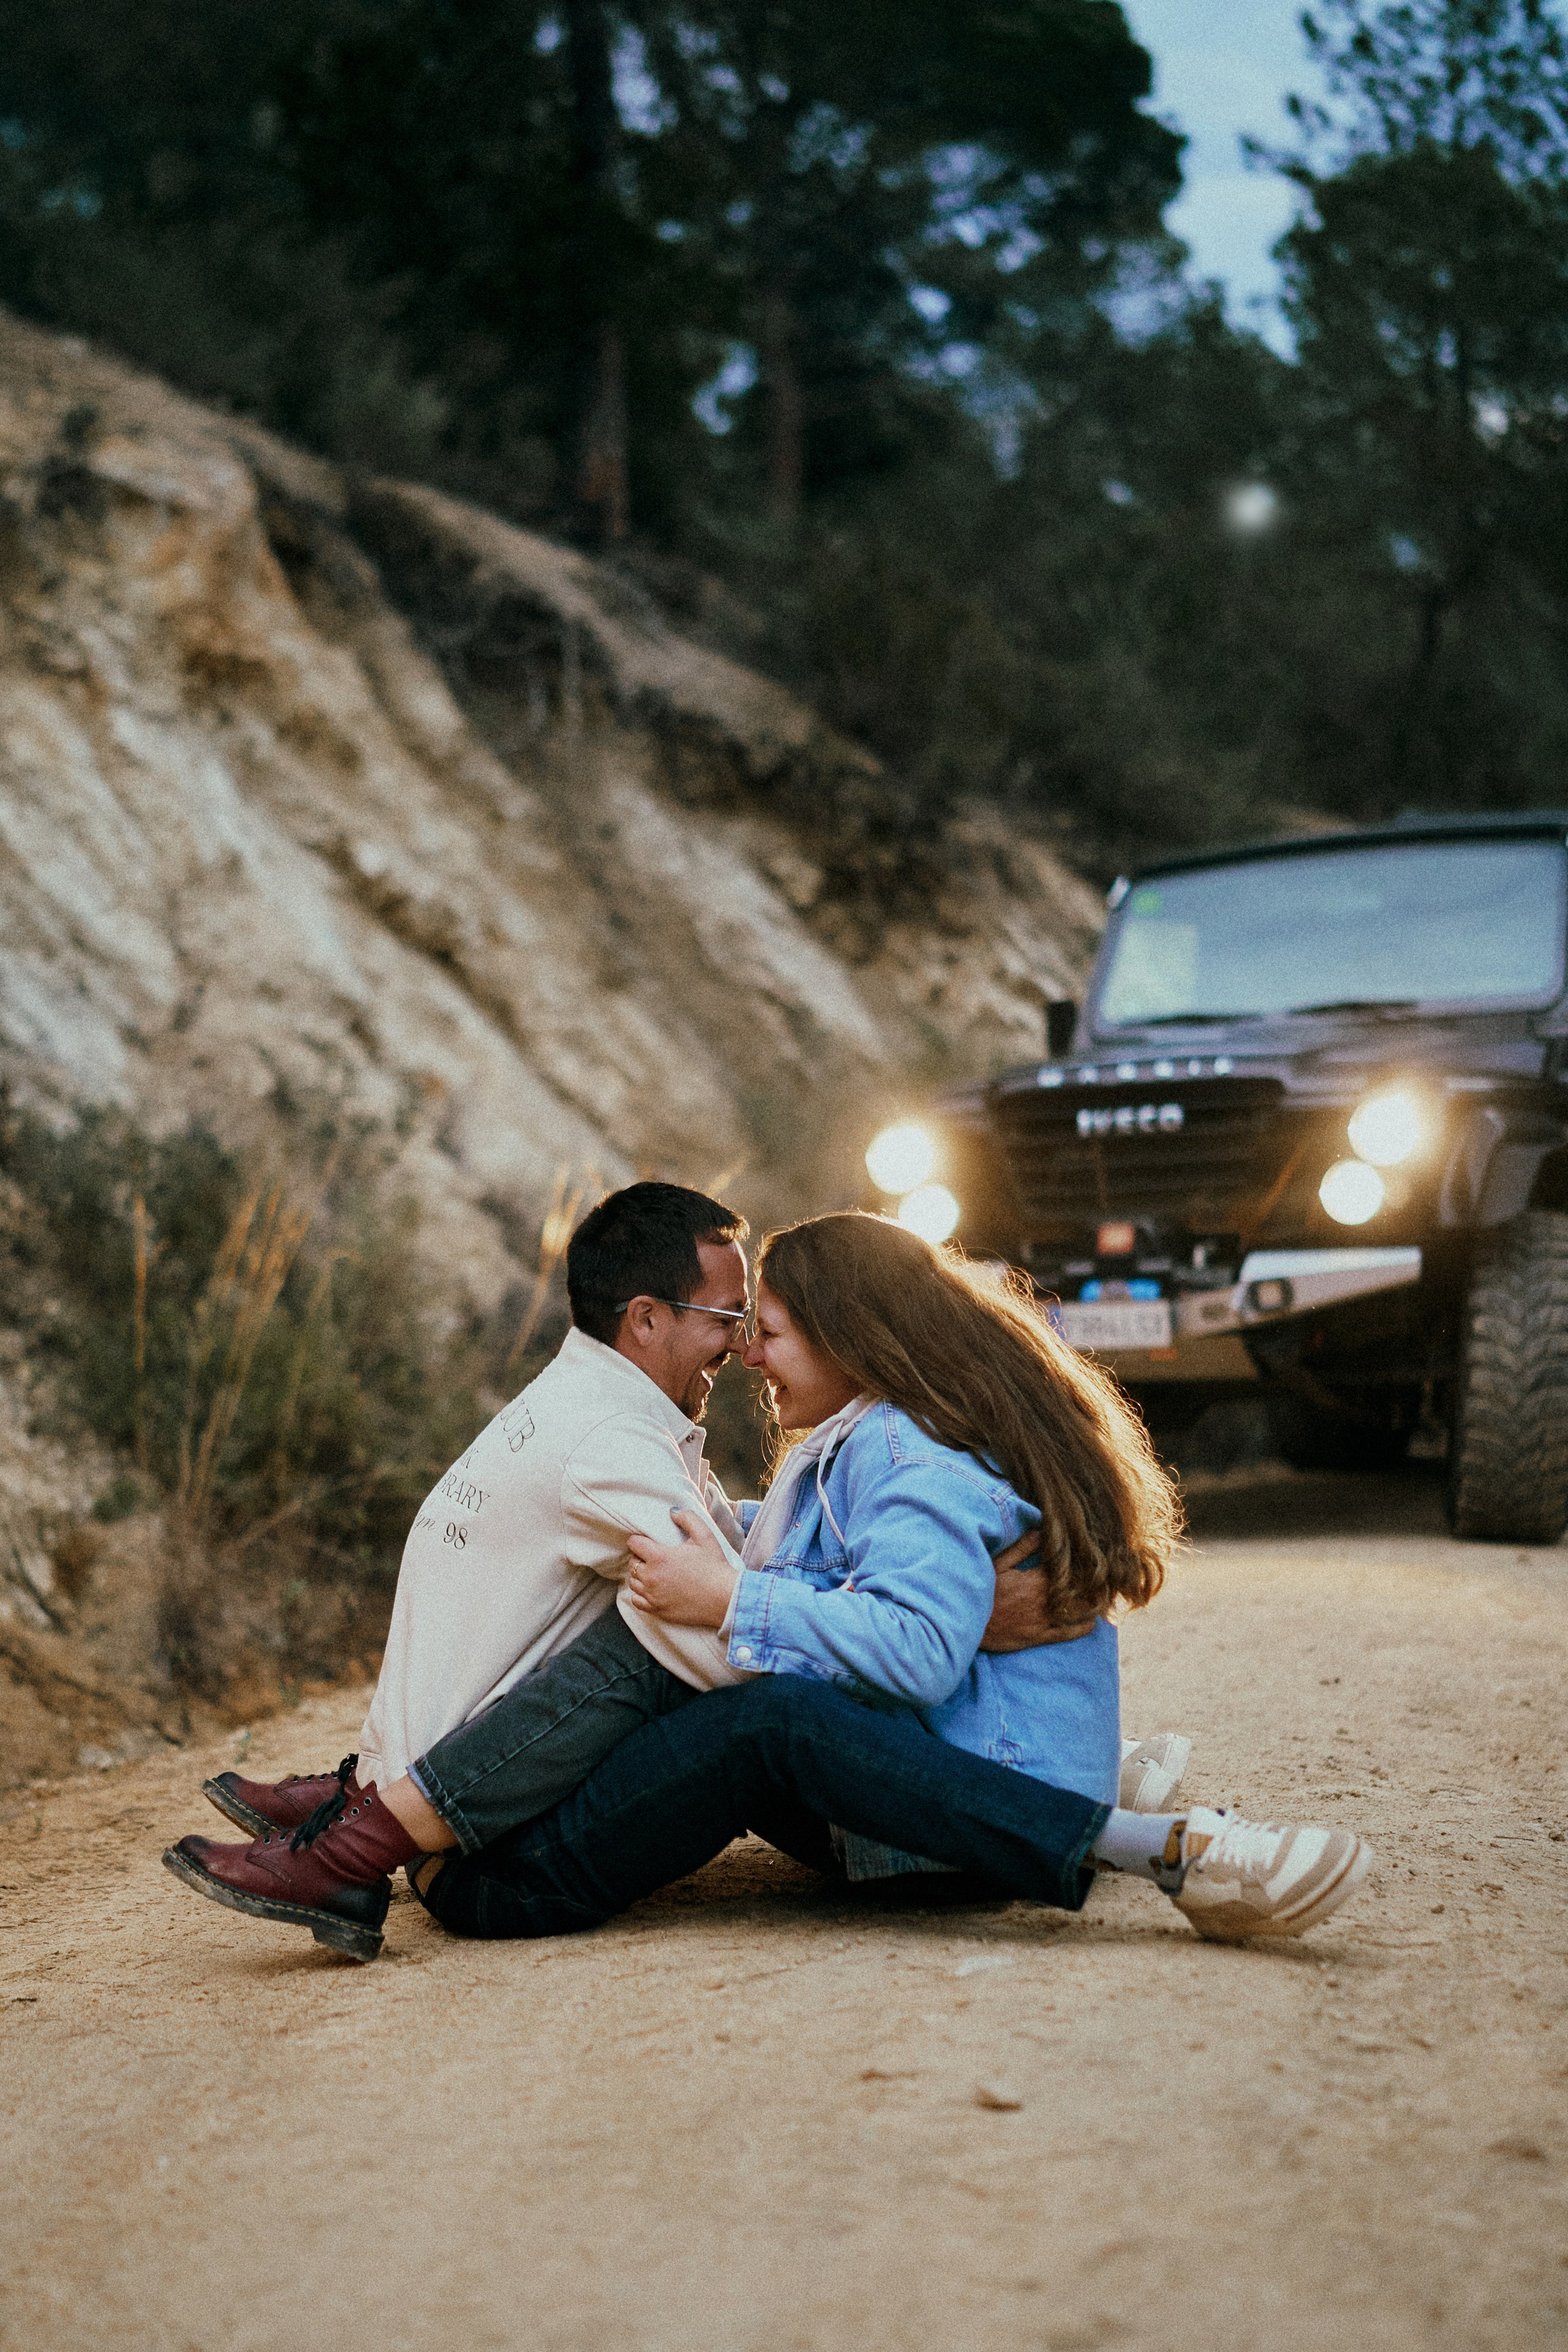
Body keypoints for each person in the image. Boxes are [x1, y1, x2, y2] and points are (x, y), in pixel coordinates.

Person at [164, 1204, 1372, 1959]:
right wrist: (717, 1558)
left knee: (745, 1694)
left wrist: (729, 1596)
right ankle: (366, 1805)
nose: (750, 1355)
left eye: (772, 1332)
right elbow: (811, 1565)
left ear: (855, 1339)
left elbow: (911, 1651)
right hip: (927, 1781)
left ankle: (1163, 1849)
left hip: (958, 1813)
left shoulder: (901, 1450)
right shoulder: (857, 1443)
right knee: (697, 1643)